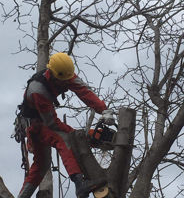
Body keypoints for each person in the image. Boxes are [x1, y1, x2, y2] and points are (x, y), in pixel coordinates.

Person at [17, 52, 113, 198]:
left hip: (42, 121)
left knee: (42, 165)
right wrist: (80, 135)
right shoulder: (38, 90)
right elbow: (52, 124)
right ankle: (80, 184)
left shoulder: (65, 74)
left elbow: (84, 91)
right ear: (53, 74)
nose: (65, 84)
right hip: (36, 125)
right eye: (62, 81)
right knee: (64, 140)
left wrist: (104, 110)